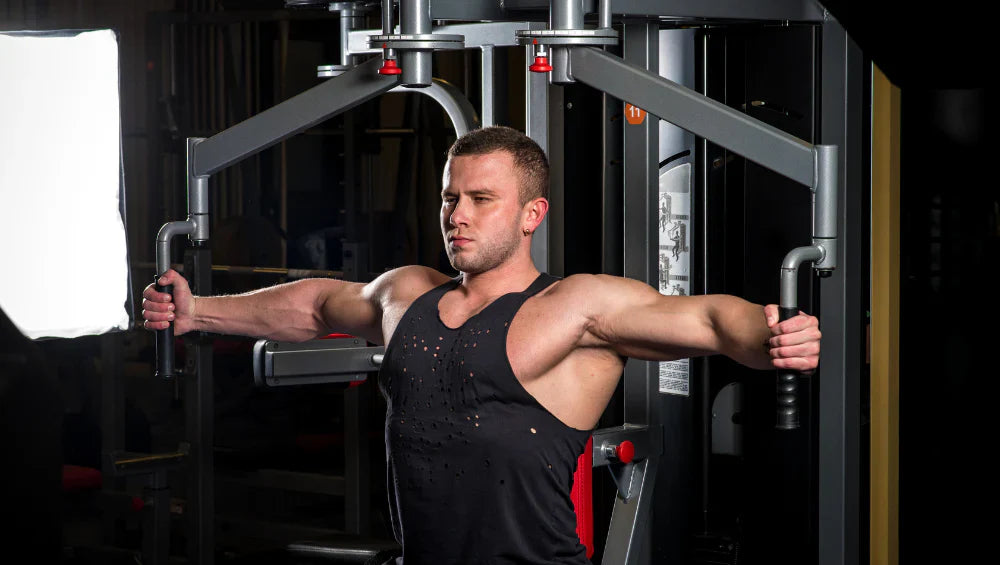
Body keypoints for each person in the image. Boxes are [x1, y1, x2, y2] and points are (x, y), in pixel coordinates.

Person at [142, 126, 820, 565]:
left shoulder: (574, 307)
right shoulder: (410, 292)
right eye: (449, 196)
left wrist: (771, 336)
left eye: (481, 198)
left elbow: (705, 320)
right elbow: (317, 304)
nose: (457, 214)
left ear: (532, 214)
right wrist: (200, 309)